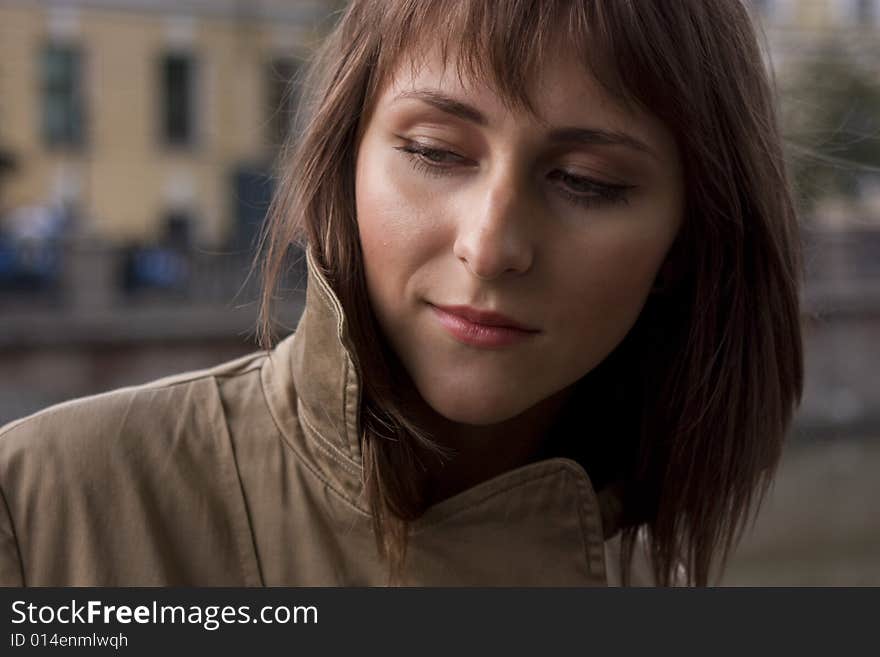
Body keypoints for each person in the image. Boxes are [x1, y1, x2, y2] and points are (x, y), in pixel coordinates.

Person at [0, 0, 803, 587]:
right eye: (435, 151)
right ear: (345, 159)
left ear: (687, 240)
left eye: (586, 182)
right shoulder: (39, 511)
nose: (488, 246)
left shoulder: (665, 567)